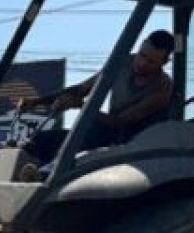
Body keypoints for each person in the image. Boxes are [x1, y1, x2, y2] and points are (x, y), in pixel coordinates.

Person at [48, 29, 177, 147]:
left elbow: (121, 123)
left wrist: (81, 105)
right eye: (142, 55)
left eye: (151, 62)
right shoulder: (122, 63)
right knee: (44, 141)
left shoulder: (163, 87)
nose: (142, 63)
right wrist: (36, 102)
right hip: (104, 132)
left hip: (134, 144)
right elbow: (82, 89)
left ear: (164, 62)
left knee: (72, 142)